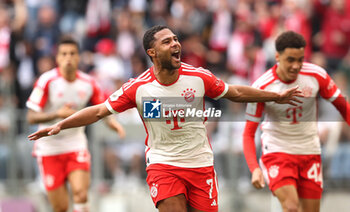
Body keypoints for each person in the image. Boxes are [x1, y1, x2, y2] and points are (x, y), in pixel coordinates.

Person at [28, 25, 302, 212]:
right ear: (152, 52)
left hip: (201, 165)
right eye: (167, 41)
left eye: (176, 39)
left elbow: (236, 92)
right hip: (163, 165)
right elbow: (99, 110)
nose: (176, 44)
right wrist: (60, 124)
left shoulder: (198, 77)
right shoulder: (138, 87)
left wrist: (273, 97)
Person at [243, 31, 350, 212]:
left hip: (310, 152)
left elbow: (343, 107)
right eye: (290, 60)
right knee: (292, 207)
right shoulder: (262, 86)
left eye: (300, 59)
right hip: (278, 152)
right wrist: (254, 168)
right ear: (277, 56)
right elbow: (248, 133)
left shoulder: (316, 75)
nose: (296, 65)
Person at [26, 36, 125, 212]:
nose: (68, 58)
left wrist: (113, 123)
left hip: (75, 143)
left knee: (80, 194)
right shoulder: (47, 81)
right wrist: (58, 114)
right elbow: (31, 117)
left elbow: (102, 108)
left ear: (78, 57)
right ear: (57, 58)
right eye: (63, 54)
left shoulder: (89, 83)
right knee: (61, 207)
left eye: (72, 53)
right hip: (49, 147)